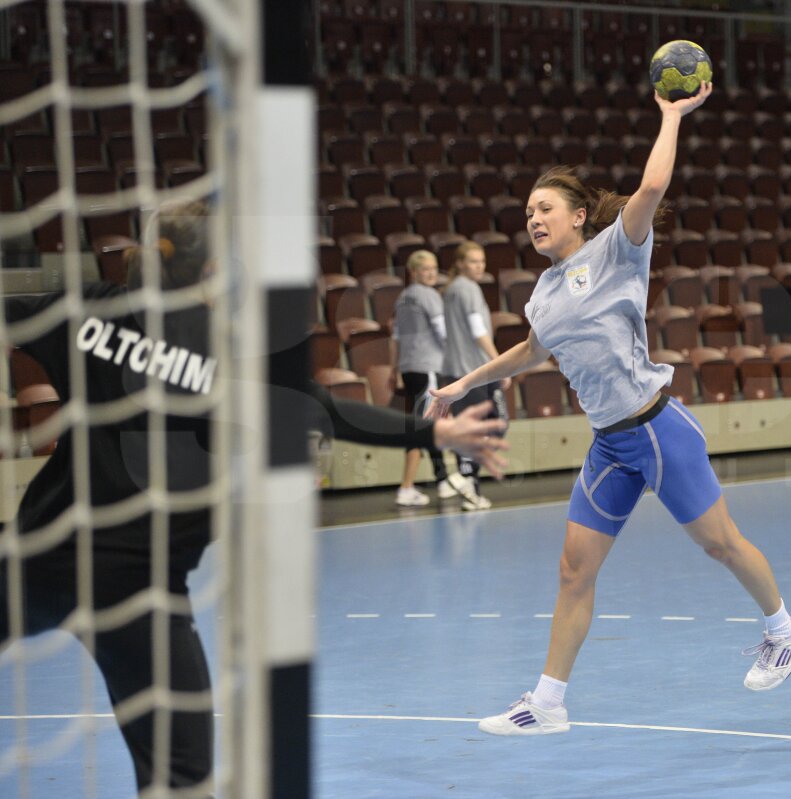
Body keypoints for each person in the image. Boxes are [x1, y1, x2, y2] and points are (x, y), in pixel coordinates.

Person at [0, 199, 507, 794]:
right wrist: (435, 430)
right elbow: (328, 411)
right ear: (216, 270)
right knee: (182, 774)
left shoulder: (87, 309)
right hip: (139, 591)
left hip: (42, 555)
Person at [429, 82, 791, 737]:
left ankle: (785, 628)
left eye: (544, 207)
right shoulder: (544, 293)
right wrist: (461, 384)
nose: (533, 217)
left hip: (657, 427)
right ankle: (547, 703)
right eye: (527, 211)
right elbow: (526, 353)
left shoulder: (619, 249)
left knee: (720, 544)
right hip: (609, 444)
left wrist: (670, 116)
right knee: (573, 568)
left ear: (579, 215)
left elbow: (654, 186)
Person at [391, 250, 467, 507]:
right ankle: (407, 487)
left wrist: (394, 370)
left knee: (431, 424)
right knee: (422, 427)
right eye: (425, 269)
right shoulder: (429, 295)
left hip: (409, 368)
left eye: (434, 267)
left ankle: (443, 479)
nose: (432, 273)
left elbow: (396, 338)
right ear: (413, 272)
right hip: (427, 368)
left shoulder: (402, 299)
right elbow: (444, 332)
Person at [440, 241, 510, 511]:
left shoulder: (454, 289)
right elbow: (477, 329)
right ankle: (467, 482)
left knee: (494, 425)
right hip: (471, 372)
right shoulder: (466, 288)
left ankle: (464, 478)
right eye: (472, 261)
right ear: (460, 263)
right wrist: (500, 362)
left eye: (481, 261)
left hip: (466, 370)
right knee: (485, 426)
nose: (479, 266)